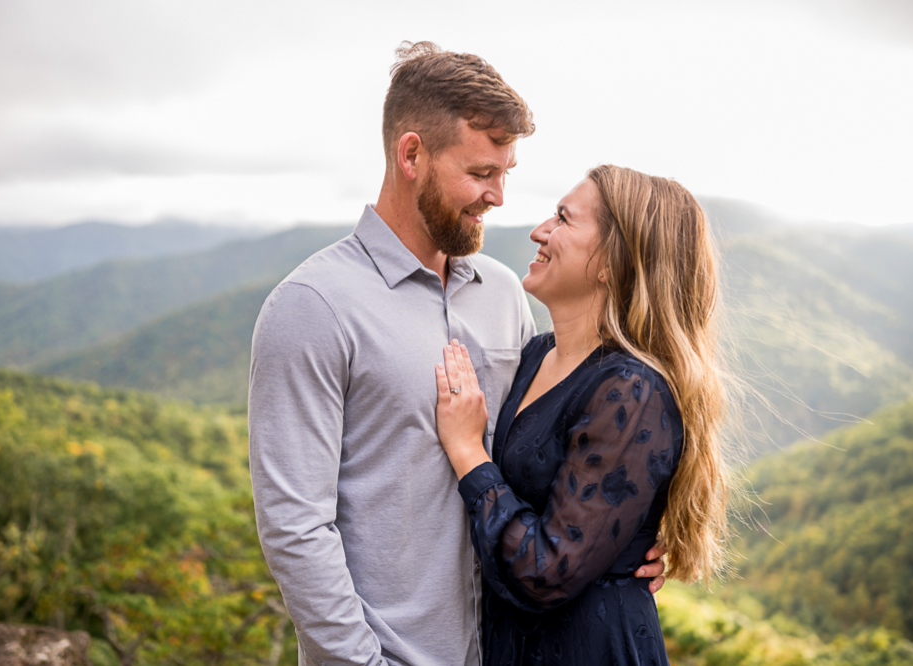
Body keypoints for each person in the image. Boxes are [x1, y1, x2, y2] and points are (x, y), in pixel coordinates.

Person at [248, 43, 665, 666]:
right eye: (479, 173)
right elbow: (296, 529)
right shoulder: (312, 306)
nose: (498, 196)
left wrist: (633, 534)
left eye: (506, 174)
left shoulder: (503, 294)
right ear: (411, 154)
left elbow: (548, 453)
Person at [435, 165, 729, 665]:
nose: (539, 231)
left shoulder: (631, 392)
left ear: (612, 262)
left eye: (563, 219)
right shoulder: (535, 356)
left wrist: (467, 452)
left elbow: (543, 572)